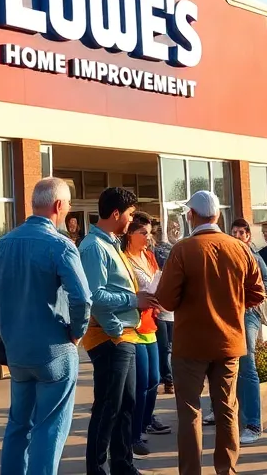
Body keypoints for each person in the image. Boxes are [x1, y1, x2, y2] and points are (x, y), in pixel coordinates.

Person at [0, 177, 92, 475]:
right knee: (50, 427)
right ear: (58, 205)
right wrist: (76, 331)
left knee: (18, 424)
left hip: (18, 351)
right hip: (54, 349)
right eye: (68, 206)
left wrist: (8, 334)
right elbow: (82, 298)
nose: (68, 211)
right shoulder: (60, 245)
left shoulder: (2, 245)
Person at [156, 190, 264, 475]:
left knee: (190, 412)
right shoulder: (240, 247)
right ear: (217, 215)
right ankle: (226, 470)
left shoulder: (183, 249)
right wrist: (231, 304)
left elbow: (166, 300)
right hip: (229, 342)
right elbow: (258, 293)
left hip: (190, 343)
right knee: (227, 409)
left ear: (192, 215)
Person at [81, 186, 154, 475]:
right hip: (111, 336)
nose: (132, 219)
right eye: (130, 214)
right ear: (115, 213)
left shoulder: (110, 242)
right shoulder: (93, 247)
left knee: (126, 404)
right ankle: (96, 468)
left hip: (125, 334)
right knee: (107, 406)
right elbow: (94, 295)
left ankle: (123, 464)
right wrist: (131, 304)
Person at [123, 215, 170, 455]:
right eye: (143, 232)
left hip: (152, 320)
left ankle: (144, 423)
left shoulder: (149, 256)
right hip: (133, 325)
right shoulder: (125, 260)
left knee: (154, 379)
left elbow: (157, 281)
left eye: (149, 233)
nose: (148, 237)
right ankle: (134, 433)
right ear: (130, 234)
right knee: (141, 381)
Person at [230, 217, 267, 445]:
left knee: (247, 363)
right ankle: (226, 410)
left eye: (242, 232)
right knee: (226, 362)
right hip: (229, 313)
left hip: (248, 314)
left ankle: (253, 424)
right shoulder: (227, 253)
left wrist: (249, 297)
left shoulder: (253, 256)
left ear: (248, 236)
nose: (238, 236)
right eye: (235, 232)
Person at [150, 214, 176, 396]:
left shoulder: (174, 250)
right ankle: (168, 379)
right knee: (164, 347)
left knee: (169, 348)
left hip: (172, 312)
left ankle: (168, 378)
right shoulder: (154, 253)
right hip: (159, 311)